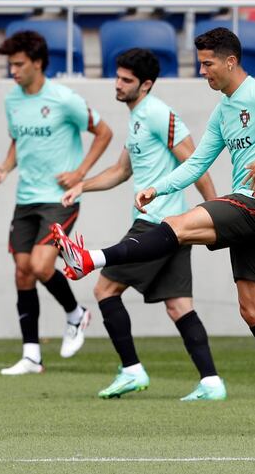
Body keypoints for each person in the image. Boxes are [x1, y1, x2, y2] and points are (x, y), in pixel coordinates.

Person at [52, 27, 255, 435]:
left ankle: (92, 258)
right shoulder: (223, 110)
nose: (202, 71)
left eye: (207, 63)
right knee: (254, 311)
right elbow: (197, 164)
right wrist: (157, 187)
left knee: (177, 225)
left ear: (230, 62)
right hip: (250, 212)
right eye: (200, 63)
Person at [60, 48, 225, 400]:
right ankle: (211, 382)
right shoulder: (137, 118)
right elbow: (121, 171)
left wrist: (215, 213)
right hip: (171, 227)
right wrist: (81, 185)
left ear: (146, 85)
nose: (118, 85)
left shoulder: (159, 114)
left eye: (127, 80)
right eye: (117, 77)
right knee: (179, 305)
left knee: (104, 290)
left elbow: (197, 165)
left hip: (155, 225)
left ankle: (132, 370)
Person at [0, 30, 112, 375]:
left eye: (18, 64)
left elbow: (104, 133)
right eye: (10, 64)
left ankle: (76, 314)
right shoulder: (12, 100)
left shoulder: (64, 99)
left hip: (60, 199)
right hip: (25, 199)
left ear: (38, 63)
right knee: (22, 272)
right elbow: (18, 141)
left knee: (43, 266)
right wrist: (4, 167)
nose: (12, 70)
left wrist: (81, 173)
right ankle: (32, 355)